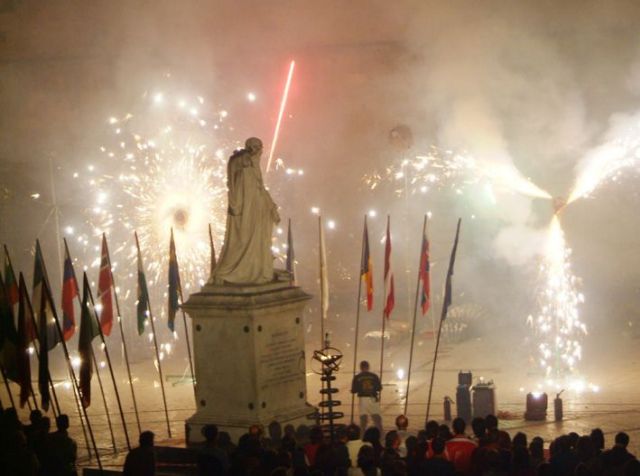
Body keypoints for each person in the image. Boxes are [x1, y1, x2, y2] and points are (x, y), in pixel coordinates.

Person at [210, 137, 281, 285]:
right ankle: (236, 271)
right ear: (252, 148)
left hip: (258, 212)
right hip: (246, 213)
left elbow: (260, 188)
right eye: (258, 147)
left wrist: (271, 207)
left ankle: (258, 267)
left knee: (258, 242)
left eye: (261, 147)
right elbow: (239, 185)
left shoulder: (252, 166)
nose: (261, 151)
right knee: (243, 242)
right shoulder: (242, 164)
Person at [351, 361, 383, 431]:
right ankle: (380, 434)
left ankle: (362, 434)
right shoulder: (374, 376)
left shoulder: (357, 377)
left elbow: (354, 390)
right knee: (377, 419)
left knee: (363, 420)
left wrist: (354, 390)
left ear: (360, 367)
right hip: (373, 398)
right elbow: (379, 388)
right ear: (368, 367)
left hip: (363, 399)